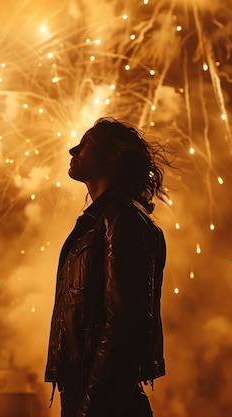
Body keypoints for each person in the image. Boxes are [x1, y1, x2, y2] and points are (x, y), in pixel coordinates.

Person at [45, 117, 170, 417]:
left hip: (107, 402)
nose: (73, 150)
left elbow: (126, 327)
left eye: (87, 142)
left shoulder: (124, 219)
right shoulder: (99, 222)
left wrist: (91, 410)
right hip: (91, 397)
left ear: (115, 154)